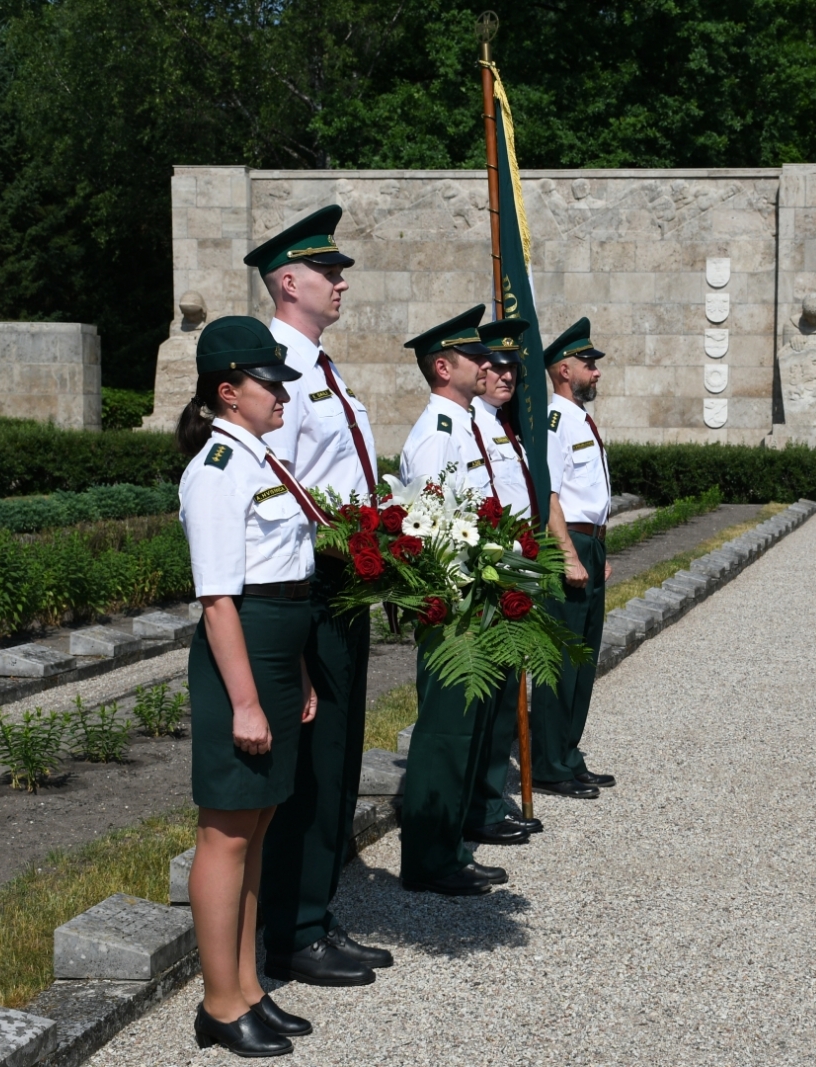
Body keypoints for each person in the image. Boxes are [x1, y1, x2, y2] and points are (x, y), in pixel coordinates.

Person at [245, 204, 392, 987]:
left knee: (339, 753)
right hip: (310, 577)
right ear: (288, 280)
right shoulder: (276, 370)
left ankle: (316, 911)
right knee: (314, 756)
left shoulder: (320, 366)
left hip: (347, 573)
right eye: (328, 271)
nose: (340, 282)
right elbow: (279, 491)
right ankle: (294, 928)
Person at [175, 316, 321, 1057]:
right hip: (241, 654)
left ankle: (249, 983)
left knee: (257, 825)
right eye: (271, 382)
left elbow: (286, 575)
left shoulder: (262, 460)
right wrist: (244, 700)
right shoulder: (218, 471)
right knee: (226, 833)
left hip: (274, 648)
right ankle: (218, 1001)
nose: (283, 394)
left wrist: (293, 672)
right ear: (229, 391)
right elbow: (220, 598)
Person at [397, 305, 508, 896]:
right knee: (445, 731)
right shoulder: (436, 434)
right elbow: (432, 525)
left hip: (480, 592)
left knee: (470, 728)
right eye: (473, 356)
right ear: (443, 367)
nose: (487, 363)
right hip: (454, 597)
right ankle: (429, 857)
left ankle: (454, 845)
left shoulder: (465, 424)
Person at [465, 318, 546, 847]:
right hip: (486, 571)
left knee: (502, 700)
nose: (506, 375)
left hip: (514, 563)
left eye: (513, 367)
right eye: (494, 366)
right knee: (487, 702)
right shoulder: (467, 422)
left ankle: (491, 801)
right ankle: (482, 805)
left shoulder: (498, 422)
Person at [530, 318, 616, 800]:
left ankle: (568, 754)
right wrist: (567, 555)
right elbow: (551, 495)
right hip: (570, 545)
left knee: (583, 661)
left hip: (590, 544)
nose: (596, 372)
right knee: (559, 660)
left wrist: (599, 550)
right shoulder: (554, 421)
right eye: (589, 364)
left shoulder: (580, 418)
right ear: (563, 369)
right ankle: (547, 763)